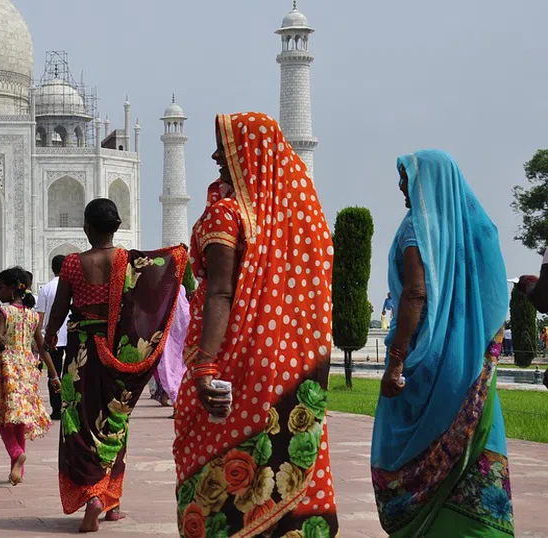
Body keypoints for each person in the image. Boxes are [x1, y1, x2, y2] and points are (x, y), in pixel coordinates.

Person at [172, 112, 338, 537]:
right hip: (290, 369)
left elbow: (221, 294)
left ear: (248, 154)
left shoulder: (227, 214)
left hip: (236, 363)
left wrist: (206, 367)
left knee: (216, 486)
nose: (215, 155)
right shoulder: (302, 220)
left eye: (225, 147)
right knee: (280, 466)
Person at [371, 150, 513, 536]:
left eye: (408, 179)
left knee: (406, 457)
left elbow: (415, 294)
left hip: (429, 364)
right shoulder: (470, 229)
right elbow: (492, 299)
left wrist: (397, 360)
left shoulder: (417, 229)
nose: (402, 188)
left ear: (428, 183)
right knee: (471, 461)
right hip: (469, 365)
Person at [44, 199, 187, 532]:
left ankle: (91, 494)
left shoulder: (71, 264)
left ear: (87, 228)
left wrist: (50, 335)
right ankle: (110, 501)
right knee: (114, 421)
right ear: (116, 227)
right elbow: (157, 282)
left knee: (78, 422)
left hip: (80, 356)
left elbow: (61, 309)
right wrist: (178, 257)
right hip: (116, 354)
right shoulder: (128, 262)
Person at [0, 267, 61, 486]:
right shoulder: (32, 315)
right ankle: (18, 471)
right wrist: (54, 375)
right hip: (28, 368)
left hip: (7, 368)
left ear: (12, 289)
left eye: (0, 287)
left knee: (3, 417)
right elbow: (42, 348)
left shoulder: (4, 312)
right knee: (20, 419)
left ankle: (15, 453)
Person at [36, 255, 69, 420]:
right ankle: (69, 408)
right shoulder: (73, 287)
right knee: (71, 374)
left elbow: (40, 318)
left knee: (53, 374)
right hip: (71, 336)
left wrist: (40, 338)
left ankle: (56, 409)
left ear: (52, 268)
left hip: (52, 338)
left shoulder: (46, 288)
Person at [153, 281, 192, 419]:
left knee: (169, 373)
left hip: (170, 339)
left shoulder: (166, 289)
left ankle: (178, 408)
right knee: (175, 374)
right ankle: (179, 407)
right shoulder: (178, 289)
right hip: (176, 339)